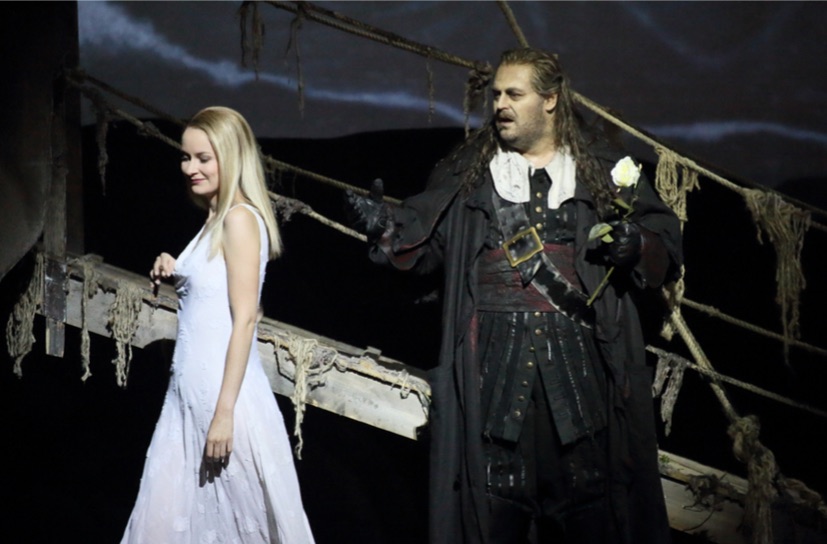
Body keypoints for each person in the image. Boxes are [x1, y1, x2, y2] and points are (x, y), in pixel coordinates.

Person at [346, 48, 682, 543]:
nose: (500, 104)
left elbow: (661, 240)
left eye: (514, 94)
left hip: (581, 378)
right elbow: (428, 248)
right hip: (492, 378)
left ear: (550, 100)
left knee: (592, 510)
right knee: (492, 512)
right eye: (496, 94)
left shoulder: (600, 169)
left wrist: (636, 244)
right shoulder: (470, 169)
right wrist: (387, 230)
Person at [121, 106, 314, 543]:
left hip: (224, 405)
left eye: (203, 158)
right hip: (186, 400)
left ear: (230, 157)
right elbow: (211, 293)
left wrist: (224, 414)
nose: (190, 168)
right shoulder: (215, 219)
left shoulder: (239, 218)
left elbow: (244, 319)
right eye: (186, 157)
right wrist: (177, 268)